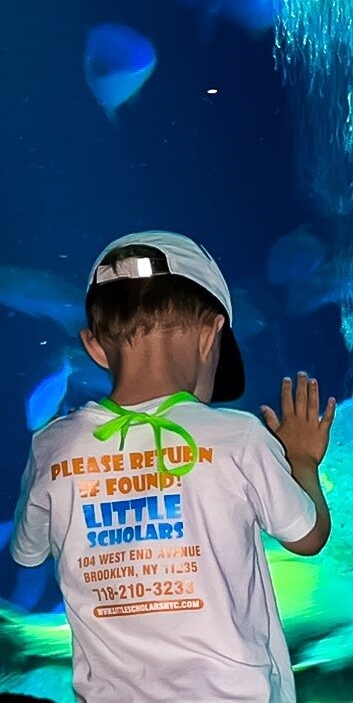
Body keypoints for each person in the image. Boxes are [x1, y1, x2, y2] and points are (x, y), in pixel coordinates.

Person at [8, 230, 334, 702]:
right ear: (210, 336)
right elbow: (308, 537)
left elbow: (28, 552)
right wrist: (300, 460)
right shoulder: (239, 436)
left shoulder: (52, 448)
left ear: (94, 347)